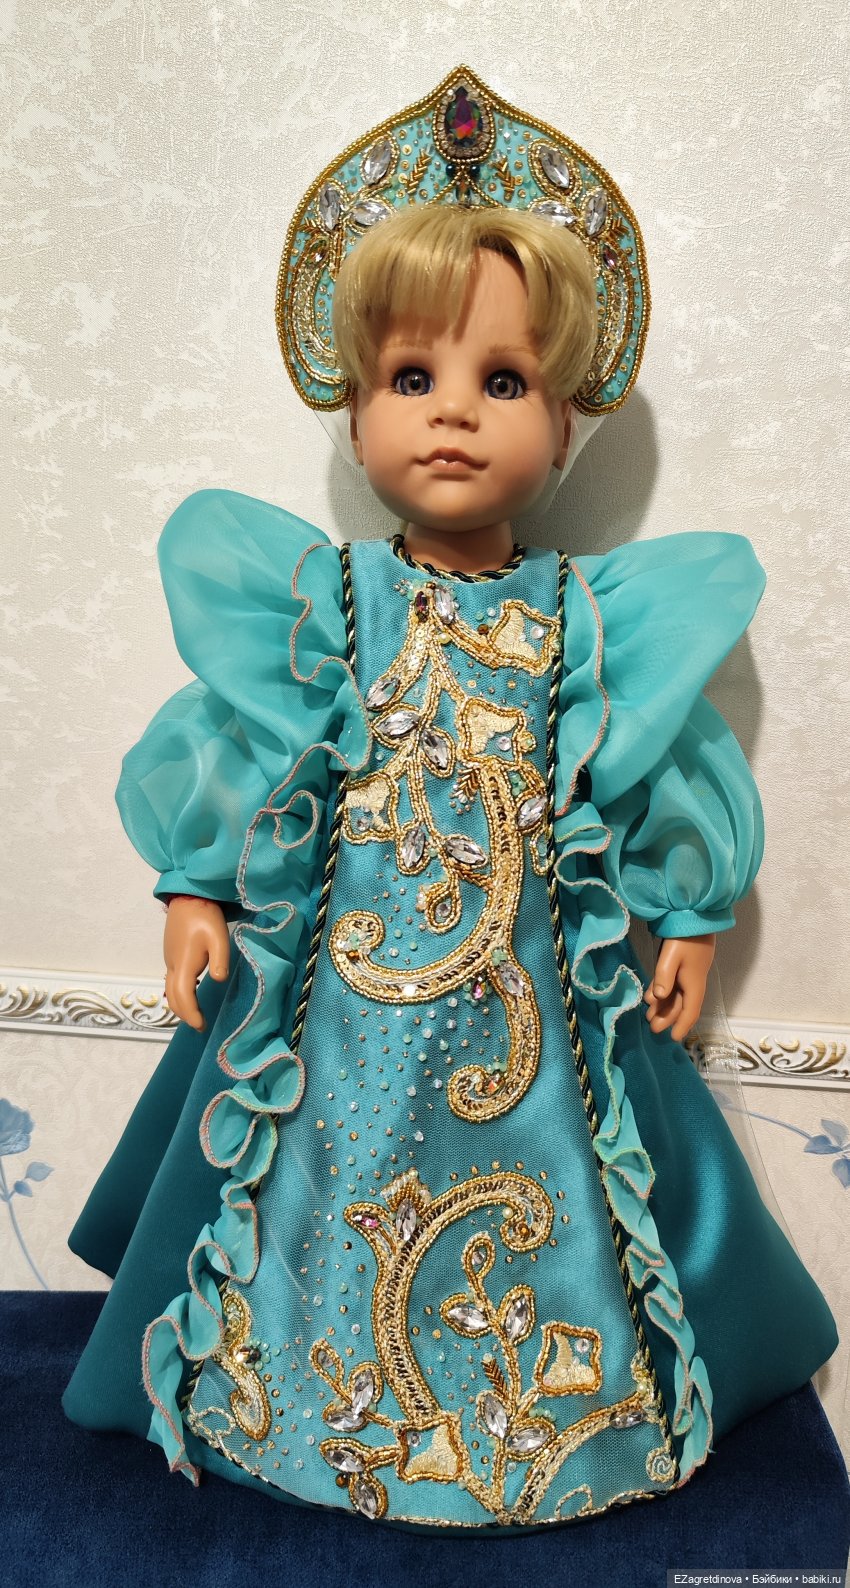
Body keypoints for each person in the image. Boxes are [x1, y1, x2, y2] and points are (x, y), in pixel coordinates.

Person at [63, 68, 838, 1533]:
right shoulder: (320, 607)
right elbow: (236, 753)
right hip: (337, 1011)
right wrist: (194, 885)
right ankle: (307, 1404)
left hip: (528, 1016)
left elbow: (663, 773)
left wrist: (687, 912)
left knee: (553, 1202)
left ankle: (539, 1420)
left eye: (504, 383)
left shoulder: (589, 623)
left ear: (567, 422)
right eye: (411, 381)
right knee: (320, 1179)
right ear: (353, 411)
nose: (454, 419)